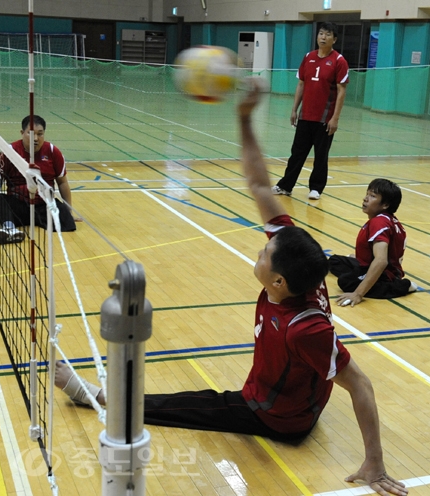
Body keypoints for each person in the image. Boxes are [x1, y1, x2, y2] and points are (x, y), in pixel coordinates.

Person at [55, 82, 408, 496]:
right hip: (295, 388)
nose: (261, 249)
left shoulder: (305, 328)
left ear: (278, 281)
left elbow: (361, 384)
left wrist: (375, 462)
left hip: (278, 415)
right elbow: (260, 184)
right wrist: (243, 117)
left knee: (190, 405)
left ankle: (94, 396)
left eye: (264, 253)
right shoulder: (297, 258)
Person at [272, 22, 349, 201]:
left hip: (324, 118)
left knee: (321, 156)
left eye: (327, 34)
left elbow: (341, 91)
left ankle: (316, 188)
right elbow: (301, 84)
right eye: (321, 33)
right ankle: (285, 186)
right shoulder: (308, 57)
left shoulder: (339, 61)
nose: (323, 37)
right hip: (306, 116)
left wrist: (335, 118)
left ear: (334, 39)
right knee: (297, 153)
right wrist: (294, 109)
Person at [0, 115, 81, 244]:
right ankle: (10, 229)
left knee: (68, 223)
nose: (36, 138)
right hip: (18, 206)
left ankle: (30, 222)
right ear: (22, 133)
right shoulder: (9, 152)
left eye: (40, 134)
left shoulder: (52, 151)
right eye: (31, 134)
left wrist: (69, 211)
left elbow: (62, 182)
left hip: (43, 206)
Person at [329, 179, 415, 307]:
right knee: (335, 261)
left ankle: (403, 286)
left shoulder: (379, 223)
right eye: (367, 194)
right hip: (370, 265)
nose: (365, 199)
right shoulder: (387, 219)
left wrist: (358, 293)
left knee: (346, 282)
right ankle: (363, 274)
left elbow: (381, 261)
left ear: (385, 205)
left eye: (372, 196)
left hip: (385, 273)